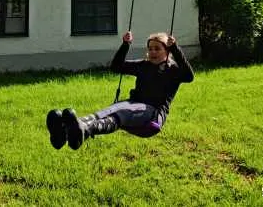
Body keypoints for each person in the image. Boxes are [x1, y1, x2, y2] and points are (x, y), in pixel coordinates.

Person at [46, 31, 194, 150]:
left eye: (157, 48)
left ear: (167, 51)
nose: (153, 52)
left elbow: (189, 76)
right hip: (133, 104)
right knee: (107, 111)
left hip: (152, 114)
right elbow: (116, 67)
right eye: (150, 48)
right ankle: (64, 132)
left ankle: (85, 130)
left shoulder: (173, 70)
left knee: (122, 112)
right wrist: (125, 45)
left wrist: (175, 48)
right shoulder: (144, 65)